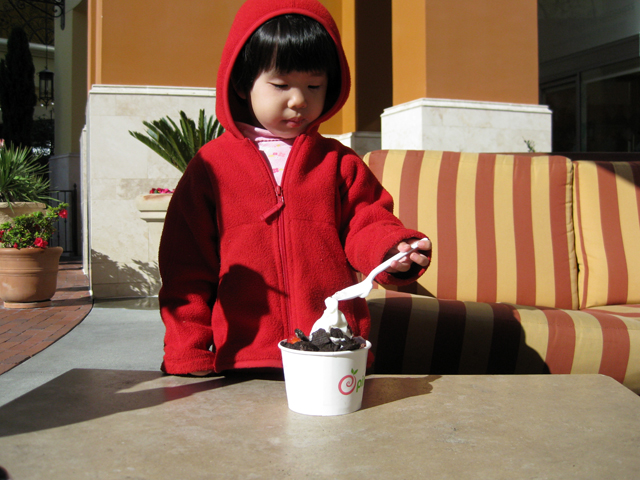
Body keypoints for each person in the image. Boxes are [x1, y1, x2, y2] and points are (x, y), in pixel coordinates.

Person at [158, 0, 432, 376]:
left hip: (331, 349)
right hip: (243, 354)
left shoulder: (338, 161)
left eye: (313, 84)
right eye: (281, 84)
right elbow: (186, 267)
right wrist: (186, 351)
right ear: (242, 83)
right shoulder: (211, 167)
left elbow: (366, 222)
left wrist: (391, 251)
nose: (299, 99)